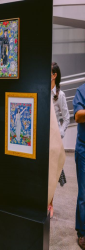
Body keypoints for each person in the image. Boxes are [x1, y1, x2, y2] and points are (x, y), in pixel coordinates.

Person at [48, 62, 70, 219]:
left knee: (52, 172)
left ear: (54, 75)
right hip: (43, 138)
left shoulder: (60, 95)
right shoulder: (43, 91)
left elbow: (67, 118)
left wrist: (59, 134)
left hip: (54, 140)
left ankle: (50, 203)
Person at [73, 72, 85, 249]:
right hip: (84, 148)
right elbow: (77, 116)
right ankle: (82, 232)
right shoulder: (81, 91)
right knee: (84, 193)